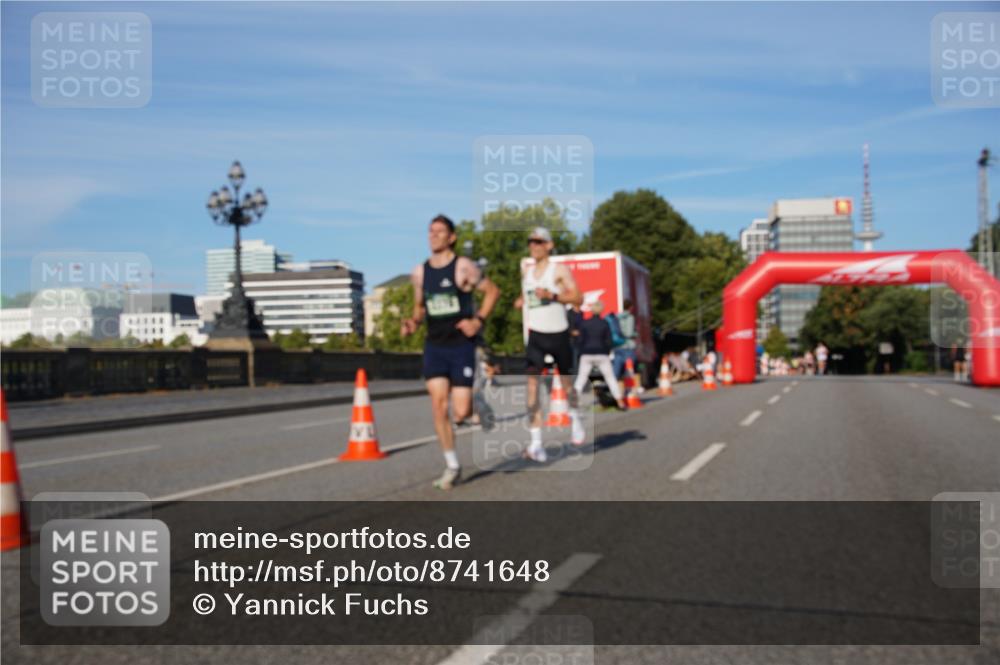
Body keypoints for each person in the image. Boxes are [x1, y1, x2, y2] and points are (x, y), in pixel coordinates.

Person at [401, 214, 500, 490]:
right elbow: (419, 307)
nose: (433, 236)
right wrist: (412, 322)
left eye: (439, 232)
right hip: (435, 345)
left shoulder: (464, 268)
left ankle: (476, 404)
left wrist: (478, 320)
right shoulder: (420, 273)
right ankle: (452, 465)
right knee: (437, 404)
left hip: (460, 346)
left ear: (452, 237)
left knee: (461, 411)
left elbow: (493, 291)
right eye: (430, 231)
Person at [514, 226, 584, 459]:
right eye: (531, 242)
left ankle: (575, 420)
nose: (534, 246)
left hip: (558, 333)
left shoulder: (559, 270)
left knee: (566, 385)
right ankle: (536, 443)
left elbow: (578, 297)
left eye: (539, 242)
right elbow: (530, 296)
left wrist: (553, 295)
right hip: (535, 335)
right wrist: (522, 300)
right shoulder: (527, 273)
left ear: (549, 245)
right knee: (532, 386)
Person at [572, 300, 626, 412]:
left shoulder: (585, 323)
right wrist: (607, 351)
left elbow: (580, 340)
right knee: (610, 378)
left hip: (586, 353)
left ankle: (573, 401)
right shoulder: (604, 323)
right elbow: (609, 341)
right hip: (602, 353)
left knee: (581, 378)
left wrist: (582, 350)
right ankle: (620, 402)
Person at [610, 298, 638, 392]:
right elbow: (629, 333)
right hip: (627, 345)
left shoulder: (617, 317)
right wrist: (636, 334)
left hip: (617, 345)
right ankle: (629, 390)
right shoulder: (630, 317)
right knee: (629, 368)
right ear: (630, 307)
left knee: (616, 369)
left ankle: (613, 389)